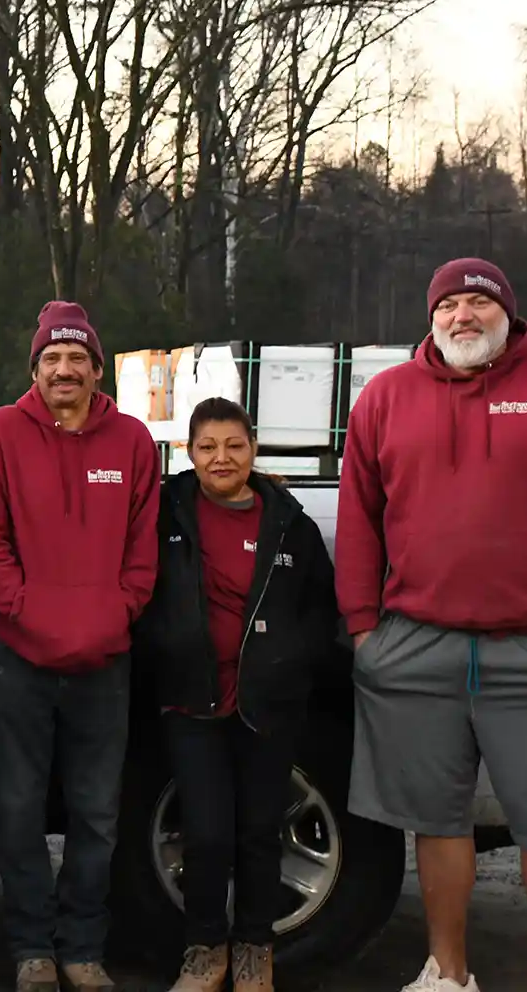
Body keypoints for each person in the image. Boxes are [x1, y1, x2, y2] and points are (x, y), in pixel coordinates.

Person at [337, 258, 527, 992]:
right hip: (418, 644)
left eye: (478, 302)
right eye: (449, 305)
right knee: (436, 823)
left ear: (508, 313)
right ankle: (448, 971)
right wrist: (365, 629)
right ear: (431, 316)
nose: (462, 316)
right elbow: (360, 519)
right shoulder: (385, 399)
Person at [0, 301, 159, 992]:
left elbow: (143, 549)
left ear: (98, 369)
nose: (64, 369)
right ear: (35, 369)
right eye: (52, 358)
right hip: (18, 659)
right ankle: (30, 949)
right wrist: (23, 611)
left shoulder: (131, 440)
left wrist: (117, 611)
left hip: (104, 661)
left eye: (77, 358)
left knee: (96, 814)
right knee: (16, 810)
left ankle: (82, 948)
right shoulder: (0, 436)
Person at [137, 399, 338, 992]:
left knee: (258, 831)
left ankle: (254, 951)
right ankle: (204, 952)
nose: (221, 458)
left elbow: (320, 610)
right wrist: (164, 646)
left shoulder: (291, 524)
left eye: (234, 445)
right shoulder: (165, 513)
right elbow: (139, 588)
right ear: (189, 453)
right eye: (207, 447)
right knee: (205, 832)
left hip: (267, 705)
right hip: (192, 700)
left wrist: (291, 662)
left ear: (253, 449)